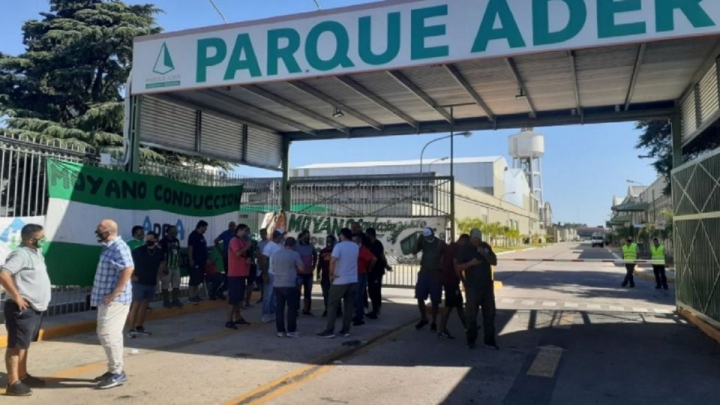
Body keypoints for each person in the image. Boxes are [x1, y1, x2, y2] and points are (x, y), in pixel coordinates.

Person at [0, 224, 50, 397]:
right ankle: (13, 383)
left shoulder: (35, 253)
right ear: (30, 239)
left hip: (34, 308)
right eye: (41, 238)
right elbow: (3, 273)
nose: (44, 240)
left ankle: (23, 376)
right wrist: (17, 296)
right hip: (21, 308)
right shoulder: (20, 254)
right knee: (15, 345)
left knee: (24, 344)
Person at [91, 219, 134, 389]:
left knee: (109, 334)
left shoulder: (119, 246)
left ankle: (117, 373)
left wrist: (115, 293)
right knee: (106, 334)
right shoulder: (108, 247)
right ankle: (113, 370)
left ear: (108, 231)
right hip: (106, 299)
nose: (97, 233)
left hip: (115, 300)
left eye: (99, 230)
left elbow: (128, 269)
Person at [456, 228, 498, 350]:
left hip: (487, 288)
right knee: (471, 315)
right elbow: (458, 267)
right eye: (474, 239)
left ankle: (489, 340)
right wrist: (470, 264)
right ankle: (471, 340)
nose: (476, 241)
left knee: (489, 314)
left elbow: (494, 262)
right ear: (470, 238)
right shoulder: (465, 249)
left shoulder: (485, 246)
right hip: (473, 288)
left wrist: (484, 254)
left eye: (478, 239)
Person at [318, 228, 359, 339]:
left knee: (332, 304)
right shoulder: (355, 246)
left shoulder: (339, 246)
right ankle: (345, 330)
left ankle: (330, 329)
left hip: (340, 279)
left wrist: (331, 275)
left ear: (342, 235)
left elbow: (333, 261)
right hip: (353, 279)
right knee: (349, 306)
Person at [127, 232, 165, 337]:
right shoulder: (138, 251)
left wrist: (158, 275)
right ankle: (131, 328)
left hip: (151, 281)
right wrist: (131, 276)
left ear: (156, 239)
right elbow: (128, 262)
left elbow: (162, 262)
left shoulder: (159, 252)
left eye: (151, 238)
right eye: (147, 238)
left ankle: (139, 326)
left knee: (145, 305)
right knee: (136, 304)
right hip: (139, 281)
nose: (148, 240)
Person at [412, 227, 446, 331]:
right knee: (419, 296)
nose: (428, 239)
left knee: (435, 299)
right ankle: (424, 318)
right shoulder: (423, 241)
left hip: (435, 274)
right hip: (424, 272)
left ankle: (434, 322)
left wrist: (442, 266)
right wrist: (419, 241)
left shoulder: (441, 243)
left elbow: (447, 256)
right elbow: (414, 251)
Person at [438, 234, 470, 339]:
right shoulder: (456, 249)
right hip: (451, 282)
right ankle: (442, 329)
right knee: (448, 306)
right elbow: (457, 267)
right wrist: (463, 280)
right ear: (463, 241)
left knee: (459, 305)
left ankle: (467, 327)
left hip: (448, 280)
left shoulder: (449, 247)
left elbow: (442, 261)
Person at [272, 237, 304, 338]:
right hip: (290, 284)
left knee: (279, 308)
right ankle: (291, 330)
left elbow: (273, 268)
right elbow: (301, 268)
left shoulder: (276, 254)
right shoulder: (295, 254)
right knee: (292, 308)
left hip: (277, 284)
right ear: (294, 245)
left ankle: (280, 331)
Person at [226, 224, 251, 329]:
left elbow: (245, 254)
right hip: (235, 274)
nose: (246, 233)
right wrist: (247, 247)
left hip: (242, 273)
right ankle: (229, 320)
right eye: (245, 230)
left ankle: (238, 317)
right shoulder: (234, 241)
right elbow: (237, 253)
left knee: (239, 298)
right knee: (233, 298)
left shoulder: (243, 241)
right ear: (239, 230)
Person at [260, 229, 285, 323]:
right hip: (271, 273)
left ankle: (272, 313)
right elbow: (263, 259)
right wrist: (265, 273)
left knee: (274, 296)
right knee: (268, 295)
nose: (283, 237)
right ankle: (265, 314)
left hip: (278, 274)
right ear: (278, 236)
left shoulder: (280, 246)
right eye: (282, 235)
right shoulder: (269, 246)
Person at [365, 228, 391, 319]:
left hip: (376, 270)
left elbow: (381, 256)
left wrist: (386, 266)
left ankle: (376, 309)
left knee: (375, 290)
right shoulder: (369, 244)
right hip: (370, 270)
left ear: (371, 234)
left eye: (367, 234)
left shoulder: (377, 244)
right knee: (371, 290)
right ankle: (375, 308)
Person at [353, 233, 376, 326]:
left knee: (358, 295)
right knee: (355, 295)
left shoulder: (362, 249)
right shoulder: (354, 249)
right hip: (354, 275)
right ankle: (357, 313)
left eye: (354, 240)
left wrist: (369, 268)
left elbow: (373, 259)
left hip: (360, 274)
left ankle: (360, 315)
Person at [159, 226, 183, 308]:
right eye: (173, 231)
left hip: (176, 265)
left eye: (176, 231)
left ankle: (175, 300)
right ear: (168, 231)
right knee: (165, 284)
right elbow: (161, 255)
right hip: (167, 266)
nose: (175, 232)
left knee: (176, 284)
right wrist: (163, 266)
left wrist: (179, 260)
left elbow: (178, 251)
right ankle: (166, 301)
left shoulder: (176, 240)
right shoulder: (163, 241)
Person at [295, 230, 317, 316]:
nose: (308, 237)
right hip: (298, 273)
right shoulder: (296, 246)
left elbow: (315, 255)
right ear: (301, 236)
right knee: (297, 293)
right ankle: (295, 309)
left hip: (308, 273)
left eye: (308, 236)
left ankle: (306, 309)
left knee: (308, 292)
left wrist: (314, 265)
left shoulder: (311, 246)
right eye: (306, 236)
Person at [187, 220, 209, 302]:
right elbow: (190, 248)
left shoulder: (201, 236)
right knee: (193, 279)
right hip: (195, 261)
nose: (205, 230)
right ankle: (191, 296)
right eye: (205, 228)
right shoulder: (193, 235)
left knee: (198, 280)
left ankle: (196, 295)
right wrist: (191, 259)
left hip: (201, 262)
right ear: (201, 227)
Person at [214, 221, 237, 293]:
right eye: (231, 226)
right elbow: (216, 241)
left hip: (236, 257)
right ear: (229, 226)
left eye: (233, 226)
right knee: (228, 273)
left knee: (235, 274)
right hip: (227, 257)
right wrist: (221, 251)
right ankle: (227, 288)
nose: (232, 227)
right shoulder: (225, 233)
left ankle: (233, 288)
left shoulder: (237, 234)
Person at [317, 235, 336, 317]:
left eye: (330, 240)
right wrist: (318, 273)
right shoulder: (323, 251)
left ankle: (337, 310)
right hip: (324, 275)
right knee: (325, 293)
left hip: (334, 276)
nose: (328, 242)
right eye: (327, 240)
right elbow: (320, 263)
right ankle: (327, 309)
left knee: (335, 294)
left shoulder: (336, 250)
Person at [256, 229, 270, 304]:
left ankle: (267, 296)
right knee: (260, 281)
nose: (262, 235)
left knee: (267, 281)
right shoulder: (259, 243)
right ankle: (262, 295)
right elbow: (258, 253)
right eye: (261, 233)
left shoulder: (269, 243)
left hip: (267, 264)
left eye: (263, 233)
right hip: (260, 264)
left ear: (266, 233)